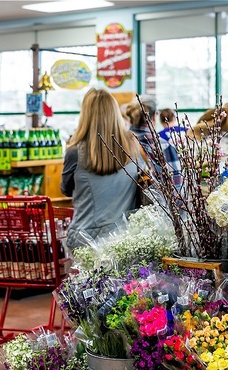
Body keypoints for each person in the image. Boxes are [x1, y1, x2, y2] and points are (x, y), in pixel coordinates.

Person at [60, 88, 141, 251]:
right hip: (126, 237)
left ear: (85, 115)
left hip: (86, 240)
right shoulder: (132, 145)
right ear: (115, 113)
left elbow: (66, 189)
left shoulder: (75, 152)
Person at [127, 97, 181, 186]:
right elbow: (177, 184)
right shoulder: (163, 146)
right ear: (154, 117)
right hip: (152, 198)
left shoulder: (117, 142)